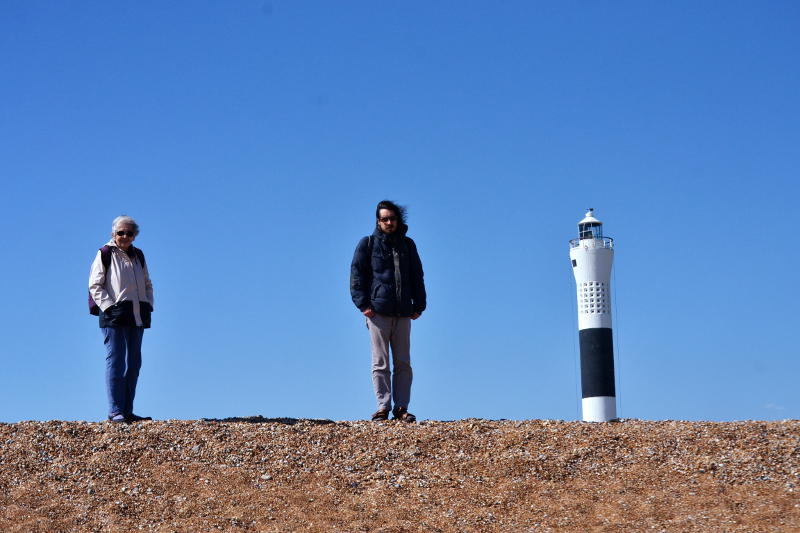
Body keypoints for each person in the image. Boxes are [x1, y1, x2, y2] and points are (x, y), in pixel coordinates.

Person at [350, 200, 426, 422]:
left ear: (398, 220)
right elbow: (357, 276)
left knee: (403, 363)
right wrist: (363, 305)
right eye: (385, 219)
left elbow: (417, 276)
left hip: (403, 312)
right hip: (377, 312)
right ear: (378, 221)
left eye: (392, 218)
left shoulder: (408, 245)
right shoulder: (368, 244)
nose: (389, 222)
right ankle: (382, 407)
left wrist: (419, 304)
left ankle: (401, 408)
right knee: (380, 363)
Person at [88, 215, 154, 423]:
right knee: (116, 360)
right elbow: (94, 285)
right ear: (113, 234)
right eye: (120, 232)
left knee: (134, 362)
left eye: (129, 233)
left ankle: (127, 410)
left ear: (135, 235)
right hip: (114, 315)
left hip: (136, 313)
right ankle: (115, 410)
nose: (125, 236)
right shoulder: (105, 253)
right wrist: (109, 306)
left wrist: (148, 303)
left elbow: (147, 283)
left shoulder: (139, 256)